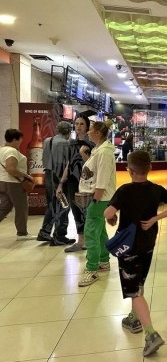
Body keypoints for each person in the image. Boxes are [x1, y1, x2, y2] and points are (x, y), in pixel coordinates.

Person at [104, 150, 167, 357]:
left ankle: (151, 333)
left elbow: (108, 212)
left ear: (129, 171)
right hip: (148, 243)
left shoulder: (124, 190)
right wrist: (155, 219)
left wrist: (111, 218)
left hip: (128, 247)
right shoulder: (156, 190)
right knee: (139, 280)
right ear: (149, 168)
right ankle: (134, 317)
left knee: (134, 290)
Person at [77, 120, 117, 287]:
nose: (88, 132)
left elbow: (103, 176)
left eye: (90, 130)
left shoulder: (105, 152)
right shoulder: (98, 150)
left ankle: (91, 269)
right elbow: (94, 170)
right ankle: (103, 260)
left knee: (91, 231)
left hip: (100, 197)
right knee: (99, 231)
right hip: (98, 195)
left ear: (98, 133)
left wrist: (96, 197)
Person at [59, 115, 95, 253]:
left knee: (87, 211)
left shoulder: (91, 145)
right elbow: (69, 165)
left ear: (87, 127)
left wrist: (83, 154)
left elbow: (92, 166)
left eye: (82, 124)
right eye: (77, 123)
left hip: (86, 182)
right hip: (72, 182)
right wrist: (61, 184)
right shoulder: (71, 144)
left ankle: (89, 239)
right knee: (75, 211)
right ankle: (81, 241)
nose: (78, 126)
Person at [37, 121, 75, 245]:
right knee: (64, 205)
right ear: (68, 131)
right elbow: (66, 163)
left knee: (51, 205)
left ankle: (44, 232)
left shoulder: (48, 140)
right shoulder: (66, 143)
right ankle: (60, 235)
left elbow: (44, 159)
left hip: (48, 174)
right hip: (59, 177)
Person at [0, 129, 36, 240]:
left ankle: (22, 232)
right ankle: (22, 233)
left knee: (4, 208)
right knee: (21, 208)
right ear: (15, 139)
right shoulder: (12, 151)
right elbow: (11, 169)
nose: (20, 142)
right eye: (20, 140)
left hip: (2, 182)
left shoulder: (1, 149)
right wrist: (26, 176)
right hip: (13, 183)